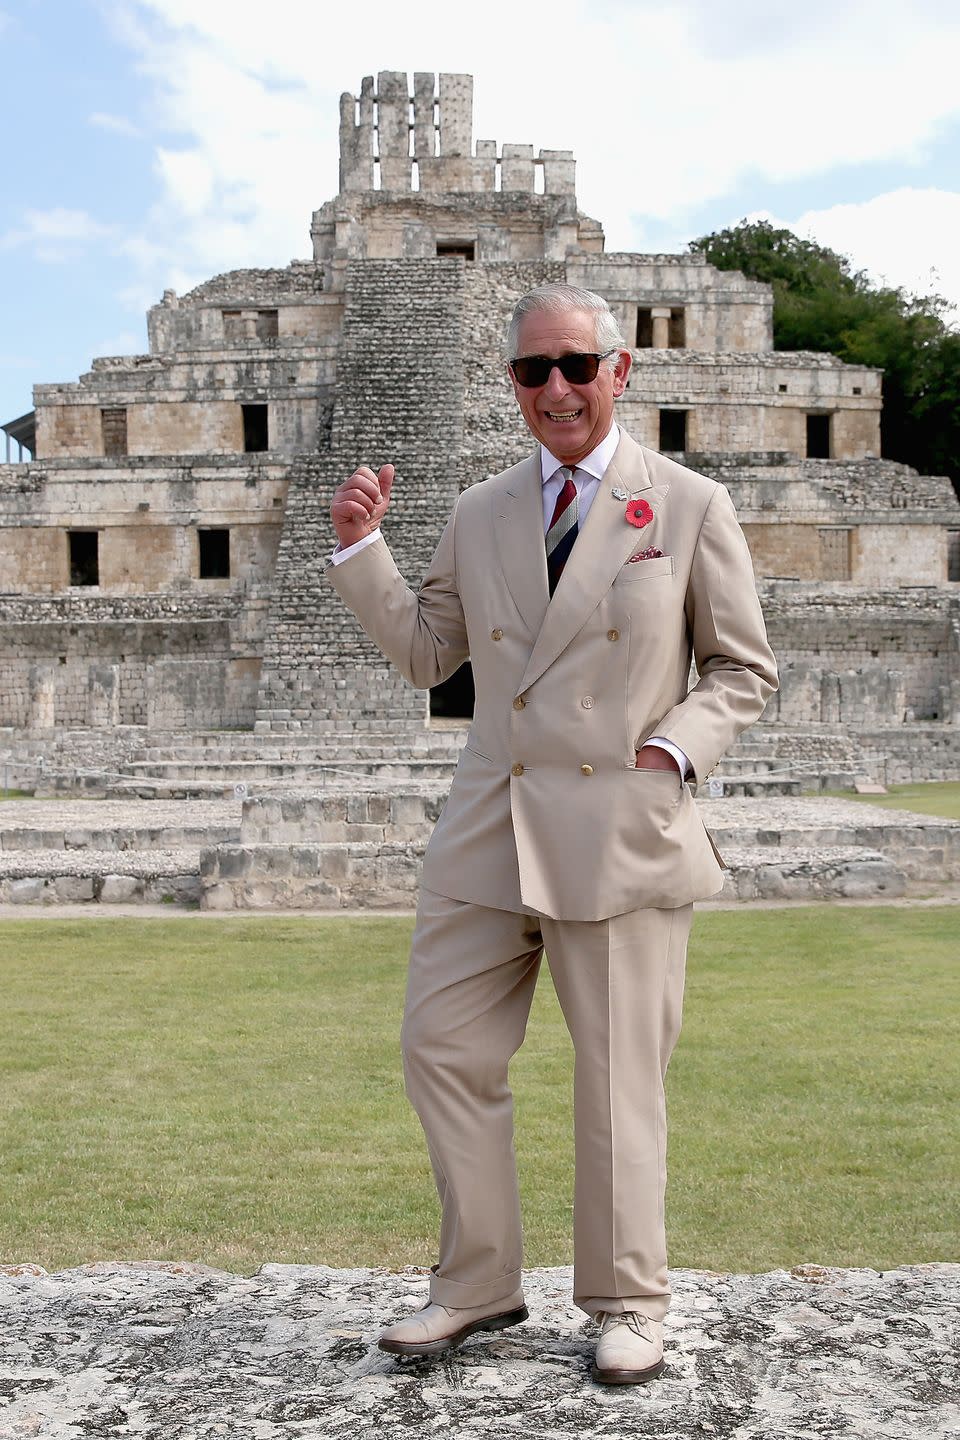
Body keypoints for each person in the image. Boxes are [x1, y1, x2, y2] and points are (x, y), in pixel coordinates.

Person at [327, 282, 777, 1385]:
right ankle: (477, 1285)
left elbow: (741, 669)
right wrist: (361, 553)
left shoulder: (685, 503)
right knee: (443, 1048)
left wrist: (672, 754)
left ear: (620, 372)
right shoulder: (480, 510)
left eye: (577, 366)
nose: (558, 389)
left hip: (619, 830)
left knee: (618, 1077)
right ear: (513, 385)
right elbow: (436, 655)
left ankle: (630, 1299)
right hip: (490, 825)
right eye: (534, 371)